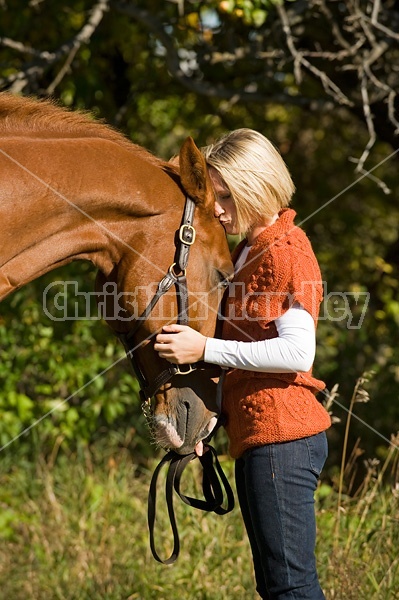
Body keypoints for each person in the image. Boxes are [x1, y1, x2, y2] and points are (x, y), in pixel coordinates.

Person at [154, 128, 331, 600]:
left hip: (284, 437)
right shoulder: (246, 252)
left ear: (257, 187)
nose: (216, 207)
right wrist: (207, 424)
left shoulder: (286, 252)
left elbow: (298, 354)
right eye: (216, 195)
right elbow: (248, 356)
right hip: (261, 435)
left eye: (227, 195)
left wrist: (203, 349)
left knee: (290, 588)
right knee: (275, 586)